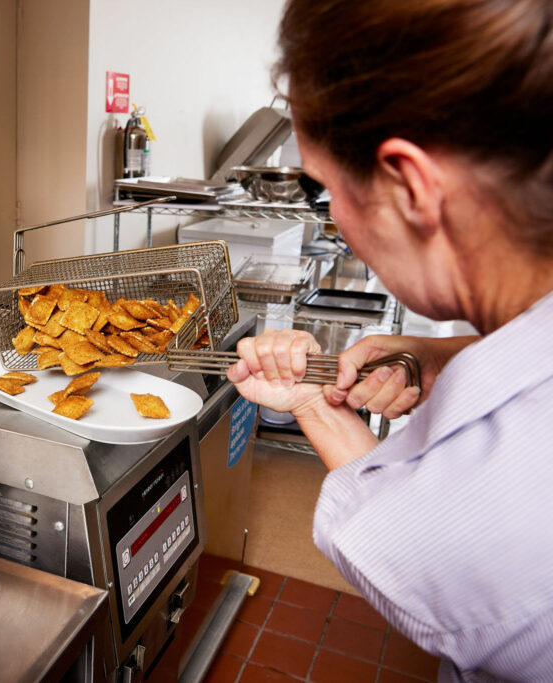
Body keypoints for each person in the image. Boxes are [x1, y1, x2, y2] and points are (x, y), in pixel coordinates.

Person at [226, 0, 553, 679]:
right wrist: (441, 359)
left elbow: (400, 526)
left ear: (409, 187)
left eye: (327, 190)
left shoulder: (475, 522)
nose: (336, 218)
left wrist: (314, 406)